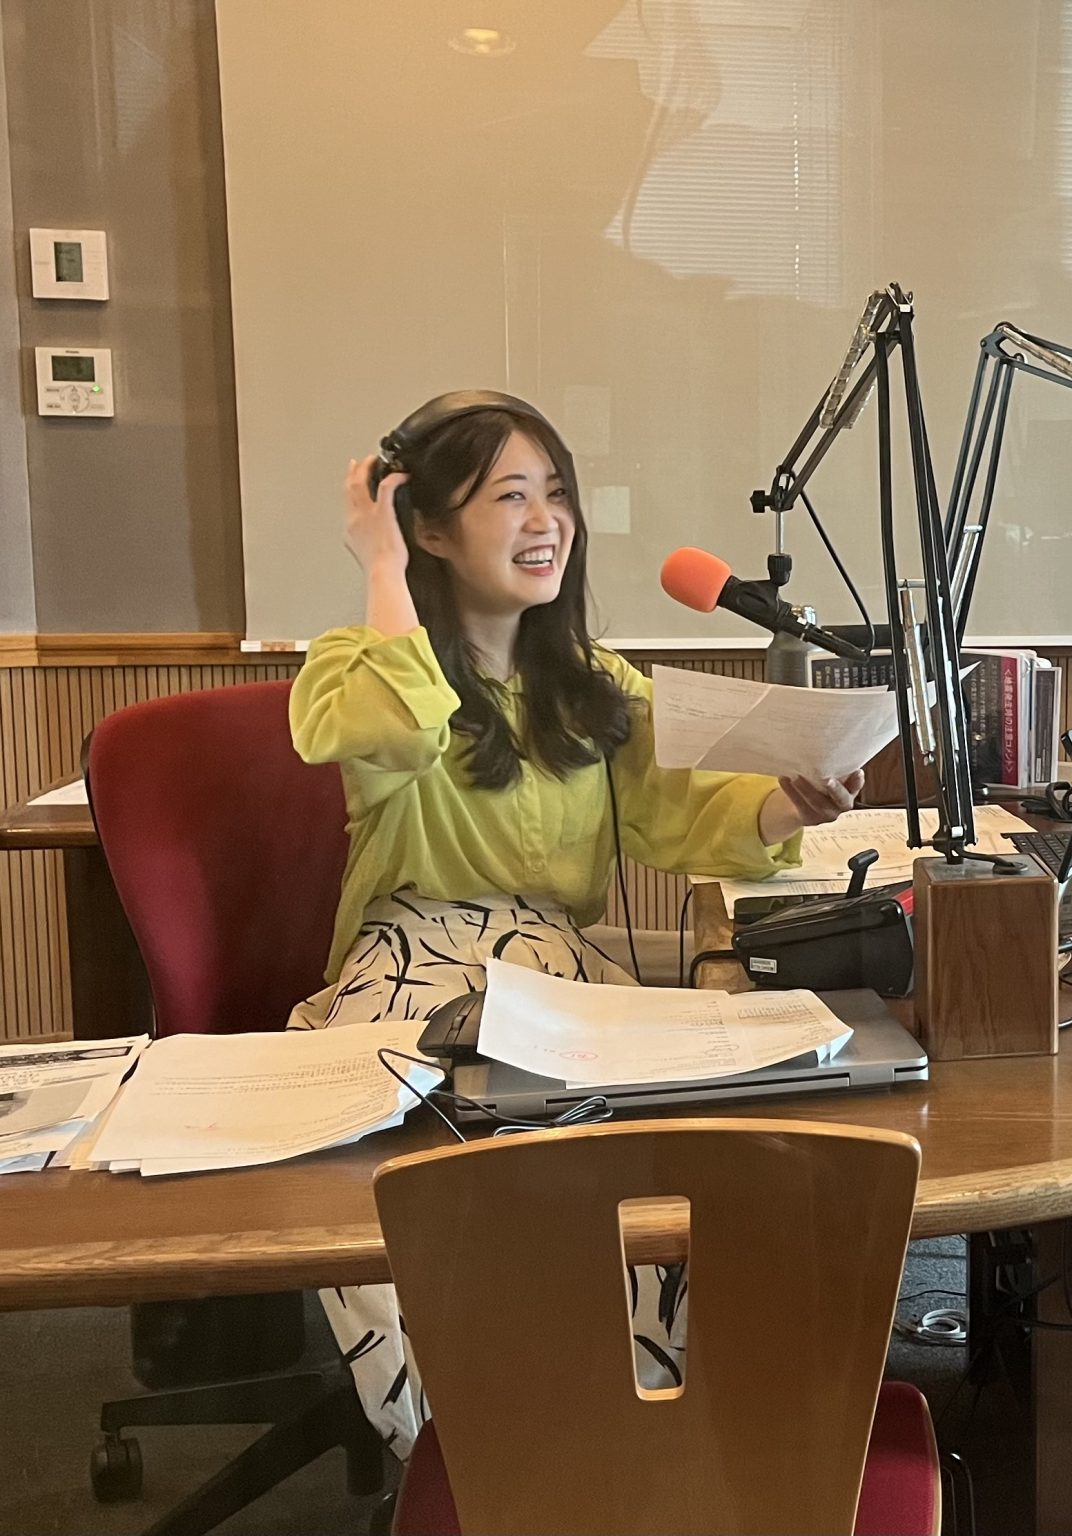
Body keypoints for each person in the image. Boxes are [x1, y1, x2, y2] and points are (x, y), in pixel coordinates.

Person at [288, 392, 863, 1456]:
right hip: (410, 970)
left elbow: (677, 811)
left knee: (660, 1173)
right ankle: (469, 1458)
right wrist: (379, 563)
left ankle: (639, 1439)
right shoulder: (352, 665)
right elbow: (399, 732)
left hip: (556, 975)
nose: (546, 520)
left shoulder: (592, 684)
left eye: (555, 493)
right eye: (509, 496)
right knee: (417, 1188)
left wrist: (792, 806)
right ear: (429, 527)